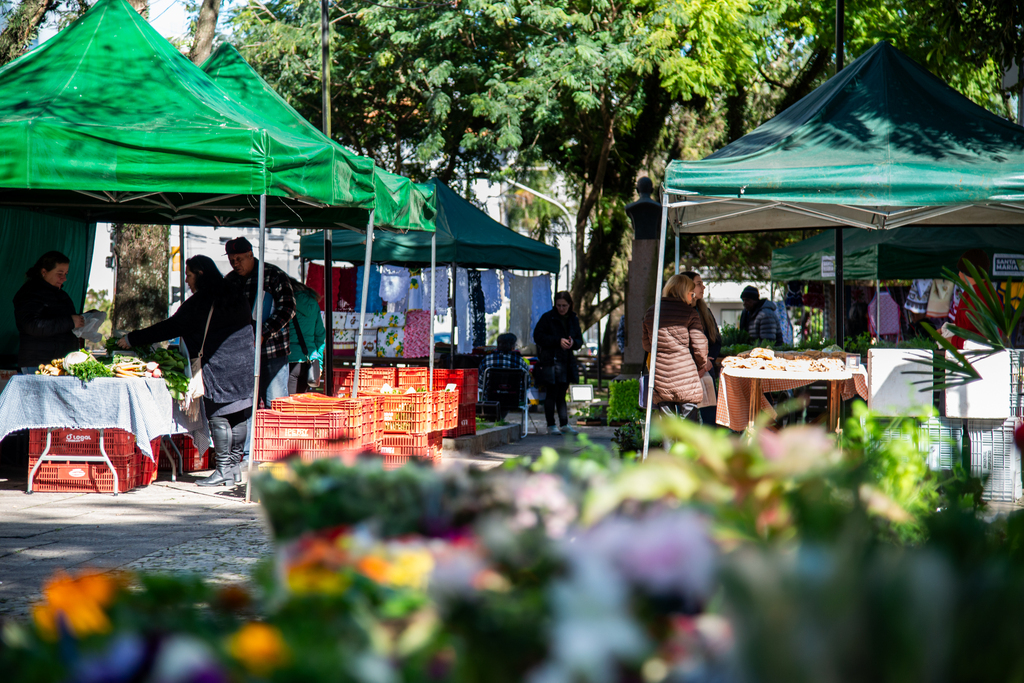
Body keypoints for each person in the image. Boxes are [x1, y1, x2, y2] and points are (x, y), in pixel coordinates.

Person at [119, 255, 255, 487]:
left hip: (219, 365)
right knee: (239, 413)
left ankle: (222, 469)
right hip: (245, 363)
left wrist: (132, 338)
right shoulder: (235, 293)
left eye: (189, 275)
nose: (187, 280)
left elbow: (170, 327)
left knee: (219, 414)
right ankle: (233, 468)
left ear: (201, 274)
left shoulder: (201, 301)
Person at [223, 237, 296, 406]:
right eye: (232, 260)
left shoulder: (273, 275)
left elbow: (288, 308)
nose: (235, 264)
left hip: (273, 353)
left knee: (275, 404)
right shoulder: (229, 281)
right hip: (241, 355)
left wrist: (264, 333)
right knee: (246, 404)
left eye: (239, 259)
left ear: (250, 255)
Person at [643, 274, 708, 423]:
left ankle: (668, 447)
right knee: (688, 425)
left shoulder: (652, 312)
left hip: (661, 376)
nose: (692, 297)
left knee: (668, 425)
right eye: (691, 293)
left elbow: (647, 345)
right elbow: (699, 345)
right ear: (683, 292)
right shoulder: (689, 312)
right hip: (685, 375)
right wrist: (702, 364)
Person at [13, 251, 85, 375]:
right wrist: (70, 322)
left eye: (66, 274)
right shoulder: (30, 293)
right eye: (60, 274)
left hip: (59, 363)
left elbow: (63, 323)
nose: (64, 278)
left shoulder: (62, 295)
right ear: (44, 272)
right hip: (38, 364)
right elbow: (32, 325)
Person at [533, 291, 584, 436]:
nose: (561, 308)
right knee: (552, 393)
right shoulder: (547, 317)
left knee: (562, 394)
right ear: (555, 304)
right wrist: (557, 341)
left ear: (570, 305)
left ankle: (564, 424)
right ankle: (551, 425)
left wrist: (573, 343)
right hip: (551, 361)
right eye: (559, 305)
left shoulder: (573, 319)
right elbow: (538, 336)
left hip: (566, 361)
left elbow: (580, 340)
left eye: (564, 306)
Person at [683, 271, 721, 425]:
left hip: (707, 369)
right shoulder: (680, 311)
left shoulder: (705, 311)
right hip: (687, 370)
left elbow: (716, 340)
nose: (703, 287)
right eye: (698, 283)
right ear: (687, 286)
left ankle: (708, 449)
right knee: (688, 417)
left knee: (711, 417)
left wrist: (708, 358)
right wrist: (700, 360)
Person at [943, 249, 996, 350]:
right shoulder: (972, 292)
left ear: (968, 271)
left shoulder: (981, 298)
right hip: (964, 352)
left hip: (976, 356)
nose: (958, 274)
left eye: (961, 271)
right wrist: (944, 330)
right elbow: (964, 326)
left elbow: (979, 339)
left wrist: (950, 341)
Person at [287, 277, 326, 395]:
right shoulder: (313, 303)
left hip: (290, 359)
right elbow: (320, 335)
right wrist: (319, 361)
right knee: (300, 404)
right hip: (310, 360)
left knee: (289, 405)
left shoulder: (287, 303)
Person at [478, 333, 533, 397]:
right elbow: (527, 384)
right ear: (513, 347)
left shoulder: (487, 360)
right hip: (515, 400)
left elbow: (480, 384)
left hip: (490, 399)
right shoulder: (521, 362)